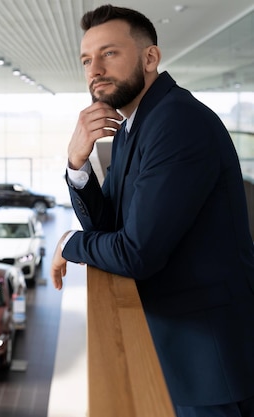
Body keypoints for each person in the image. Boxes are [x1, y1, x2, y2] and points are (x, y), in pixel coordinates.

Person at [49, 4, 254, 416]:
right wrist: (77, 163)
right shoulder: (131, 126)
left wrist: (70, 243)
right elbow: (110, 224)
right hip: (180, 346)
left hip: (210, 360)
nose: (94, 70)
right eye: (87, 59)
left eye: (109, 53)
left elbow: (136, 252)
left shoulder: (176, 122)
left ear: (150, 58)